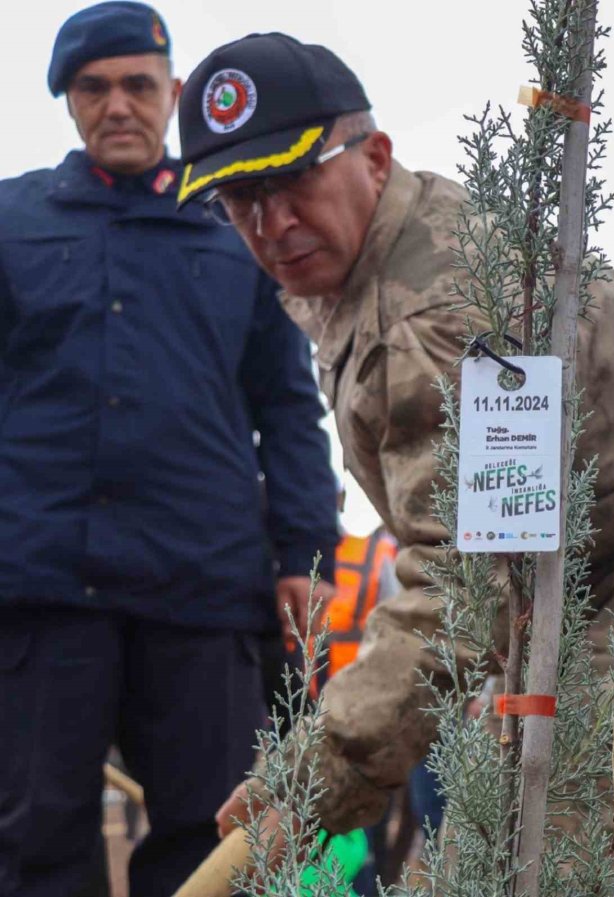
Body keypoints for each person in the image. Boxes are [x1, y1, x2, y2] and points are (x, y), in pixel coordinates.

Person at [176, 33, 614, 891]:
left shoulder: (444, 311)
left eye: (293, 179)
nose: (272, 224)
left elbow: (464, 584)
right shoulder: (356, 272)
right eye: (240, 199)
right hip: (588, 562)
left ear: (374, 157)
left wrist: (319, 777)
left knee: (521, 862)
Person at [0, 7, 339, 897]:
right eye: (94, 87)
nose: (118, 105)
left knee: (208, 835)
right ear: (68, 101)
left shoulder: (238, 223)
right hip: (41, 589)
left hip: (204, 590)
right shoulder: (10, 221)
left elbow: (288, 403)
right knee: (35, 835)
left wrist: (309, 555)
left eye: (138, 85)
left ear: (175, 92)